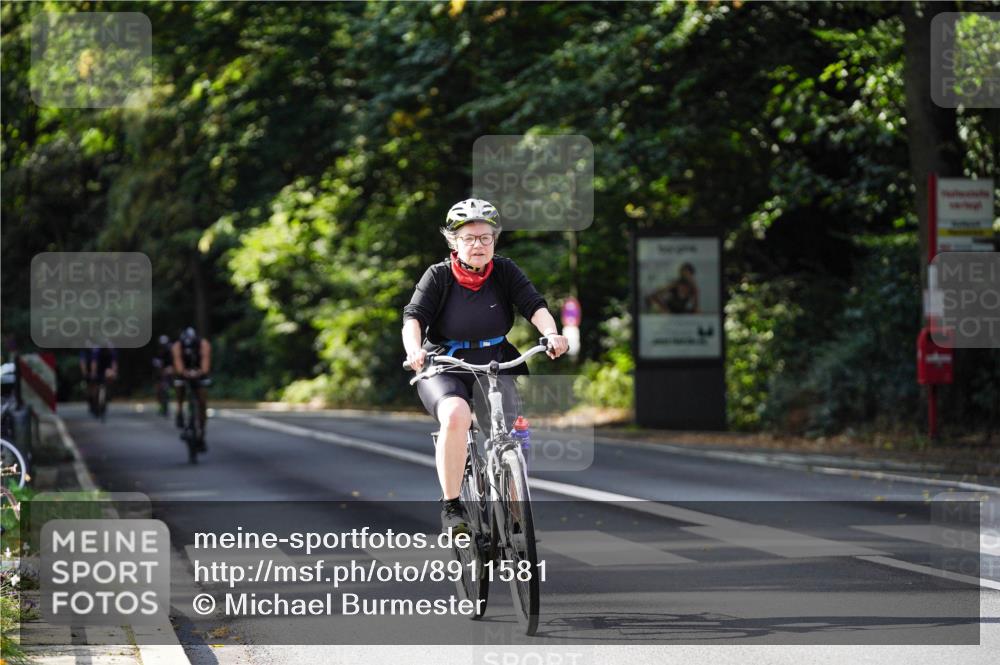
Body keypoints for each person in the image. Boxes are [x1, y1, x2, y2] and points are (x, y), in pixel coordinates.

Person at [401, 198, 569, 534]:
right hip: (445, 363)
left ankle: (515, 513)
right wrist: (415, 350)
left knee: (507, 433)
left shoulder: (505, 271)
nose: (478, 245)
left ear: (494, 240)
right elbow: (413, 318)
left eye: (485, 238)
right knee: (455, 416)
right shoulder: (438, 276)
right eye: (469, 238)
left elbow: (534, 305)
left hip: (496, 361)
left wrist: (551, 333)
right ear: (454, 242)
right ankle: (452, 507)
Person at [172, 327, 212, 448]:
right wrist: (184, 373)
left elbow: (205, 363)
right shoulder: (177, 345)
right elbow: (178, 362)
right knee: (179, 386)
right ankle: (179, 411)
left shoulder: (203, 344)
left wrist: (199, 373)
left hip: (200, 373)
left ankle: (201, 429)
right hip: (184, 373)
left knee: (202, 400)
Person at [79, 341, 118, 417]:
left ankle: (107, 395)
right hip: (97, 369)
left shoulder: (112, 351)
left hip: (105, 368)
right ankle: (92, 400)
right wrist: (93, 374)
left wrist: (114, 372)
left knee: (110, 378)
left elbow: (114, 363)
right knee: (93, 385)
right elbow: (94, 363)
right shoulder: (96, 351)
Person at [152, 334, 174, 417]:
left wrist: (170, 368)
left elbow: (174, 362)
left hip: (168, 371)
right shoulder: (157, 351)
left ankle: (170, 391)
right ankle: (161, 405)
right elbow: (155, 362)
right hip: (159, 372)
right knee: (158, 389)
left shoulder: (170, 350)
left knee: (168, 384)